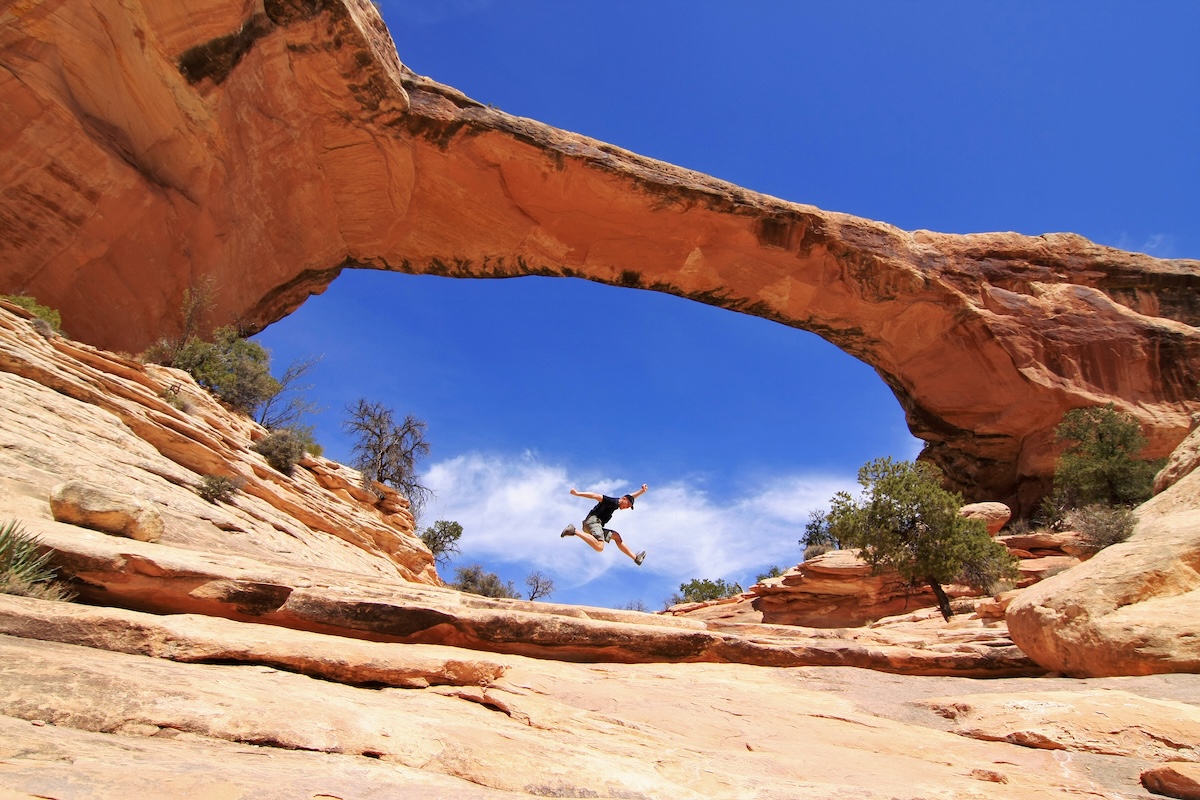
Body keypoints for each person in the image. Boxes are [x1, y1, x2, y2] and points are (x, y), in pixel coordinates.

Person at [561, 484, 648, 565]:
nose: (626, 507)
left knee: (616, 536)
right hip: (593, 522)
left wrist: (642, 491)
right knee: (599, 547)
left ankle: (636, 558)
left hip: (595, 525)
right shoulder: (612, 501)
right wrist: (577, 493)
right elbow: (595, 495)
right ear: (624, 499)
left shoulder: (617, 503)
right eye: (627, 505)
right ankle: (573, 531)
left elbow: (630, 497)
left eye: (628, 507)